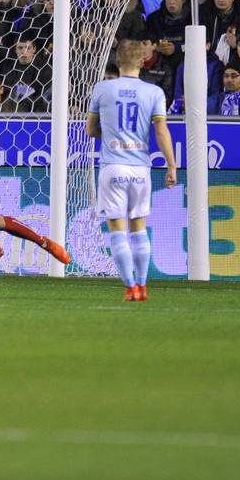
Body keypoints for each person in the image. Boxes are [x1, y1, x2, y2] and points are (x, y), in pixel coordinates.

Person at [86, 42, 177, 301]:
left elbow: (90, 131)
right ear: (143, 61)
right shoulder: (154, 92)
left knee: (117, 230)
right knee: (139, 229)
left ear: (117, 61)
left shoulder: (102, 88)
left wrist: (112, 131)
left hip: (112, 167)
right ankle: (143, 285)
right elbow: (161, 131)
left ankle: (129, 288)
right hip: (140, 168)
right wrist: (171, 165)